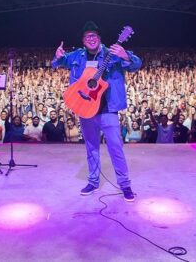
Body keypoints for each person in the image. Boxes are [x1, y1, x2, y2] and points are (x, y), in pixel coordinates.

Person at [52, 21, 142, 201]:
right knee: (91, 147)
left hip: (108, 109)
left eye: (94, 36)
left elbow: (136, 64)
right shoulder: (77, 55)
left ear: (99, 38)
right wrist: (58, 56)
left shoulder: (113, 53)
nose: (90, 39)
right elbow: (57, 64)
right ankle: (93, 181)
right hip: (85, 108)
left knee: (115, 147)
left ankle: (125, 185)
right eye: (87, 36)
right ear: (83, 40)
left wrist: (125, 56)